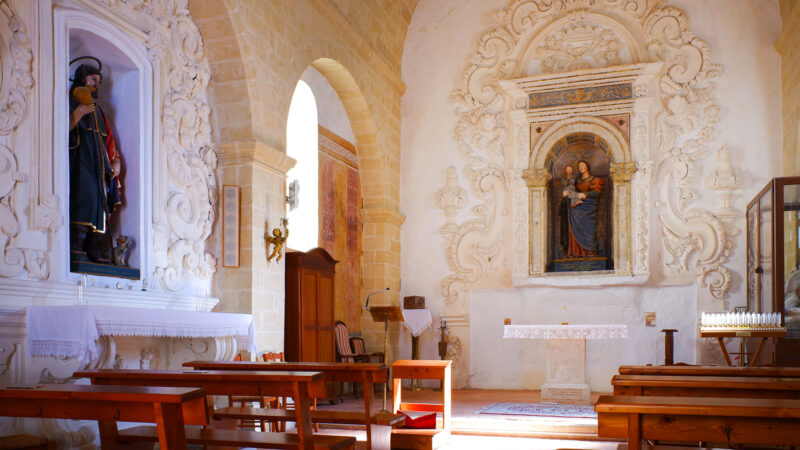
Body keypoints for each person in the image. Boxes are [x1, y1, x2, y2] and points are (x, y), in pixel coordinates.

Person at [68, 60, 121, 263]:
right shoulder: (71, 102)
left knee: (101, 203)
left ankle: (96, 250)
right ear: (82, 79)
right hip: (81, 164)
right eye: (93, 79)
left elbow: (109, 142)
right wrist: (77, 114)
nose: (97, 84)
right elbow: (59, 129)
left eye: (99, 81)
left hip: (100, 167)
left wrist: (116, 162)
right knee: (85, 198)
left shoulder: (99, 111)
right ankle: (76, 246)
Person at [564, 160, 604, 258]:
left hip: (589, 208)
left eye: (583, 166)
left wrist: (585, 194)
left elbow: (597, 193)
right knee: (572, 217)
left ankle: (590, 251)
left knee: (589, 229)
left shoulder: (595, 180)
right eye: (579, 166)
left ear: (587, 167)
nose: (581, 168)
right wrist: (568, 192)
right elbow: (572, 191)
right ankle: (576, 252)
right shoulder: (576, 181)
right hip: (577, 208)